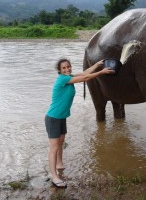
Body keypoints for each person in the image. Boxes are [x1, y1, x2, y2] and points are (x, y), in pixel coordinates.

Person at [45, 58, 114, 188]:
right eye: (64, 68)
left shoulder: (69, 76)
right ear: (59, 71)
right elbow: (86, 78)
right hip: (53, 118)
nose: (67, 69)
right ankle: (54, 177)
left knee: (60, 142)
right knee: (54, 147)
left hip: (61, 117)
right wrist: (101, 72)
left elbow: (84, 73)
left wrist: (96, 65)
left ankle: (59, 164)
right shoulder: (62, 79)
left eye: (68, 67)